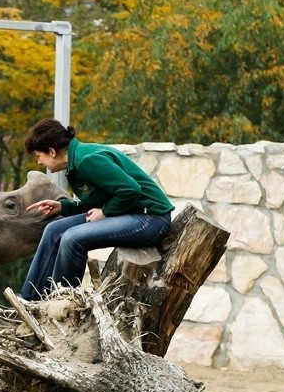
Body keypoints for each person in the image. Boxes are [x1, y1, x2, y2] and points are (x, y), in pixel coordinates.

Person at [19, 118, 174, 301]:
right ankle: (29, 301)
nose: (39, 162)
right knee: (54, 230)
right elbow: (100, 199)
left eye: (39, 156)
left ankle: (60, 304)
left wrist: (106, 212)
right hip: (129, 212)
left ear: (51, 152)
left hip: (151, 219)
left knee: (72, 238)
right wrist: (62, 207)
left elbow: (130, 190)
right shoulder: (76, 161)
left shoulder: (87, 159)